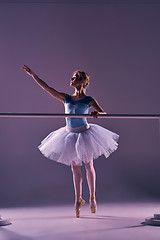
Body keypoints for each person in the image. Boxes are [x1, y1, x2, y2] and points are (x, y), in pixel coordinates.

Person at [22, 65, 119, 218]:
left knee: (88, 165)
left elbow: (103, 112)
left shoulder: (89, 100)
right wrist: (32, 74)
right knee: (75, 169)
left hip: (85, 134)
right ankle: (78, 199)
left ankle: (92, 196)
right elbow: (47, 88)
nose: (71, 79)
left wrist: (96, 113)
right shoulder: (66, 98)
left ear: (83, 81)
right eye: (72, 77)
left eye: (75, 77)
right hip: (69, 135)